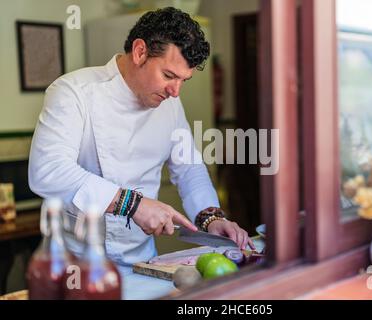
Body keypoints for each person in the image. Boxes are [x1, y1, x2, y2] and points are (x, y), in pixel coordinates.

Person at [29, 7, 255, 267]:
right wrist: (133, 205)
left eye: (184, 80)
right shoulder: (74, 93)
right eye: (169, 75)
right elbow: (48, 170)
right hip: (76, 262)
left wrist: (211, 219)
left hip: (142, 261)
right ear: (140, 52)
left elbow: (189, 168)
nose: (175, 92)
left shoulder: (169, 103)